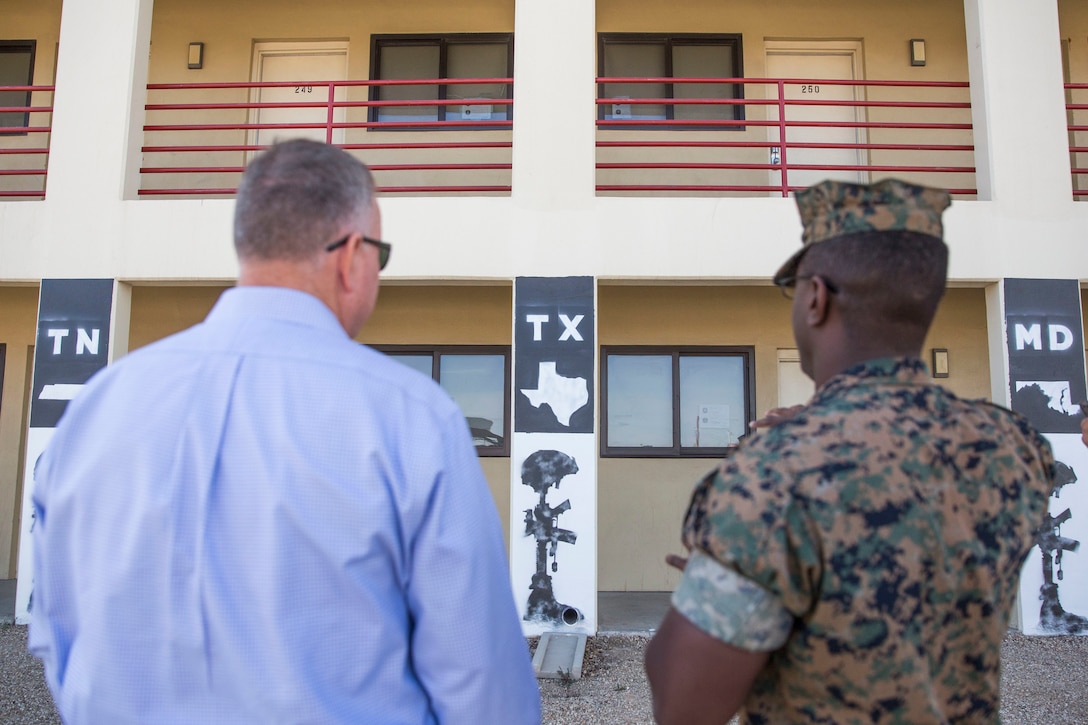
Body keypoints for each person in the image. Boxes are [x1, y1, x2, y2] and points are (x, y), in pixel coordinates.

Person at [29, 139, 541, 724]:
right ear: (352, 257)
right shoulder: (412, 418)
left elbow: (57, 634)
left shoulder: (96, 408)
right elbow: (481, 685)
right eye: (379, 254)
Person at [645, 178, 1055, 724]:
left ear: (815, 298)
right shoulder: (1016, 447)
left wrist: (714, 570)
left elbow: (684, 705)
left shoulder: (772, 475)